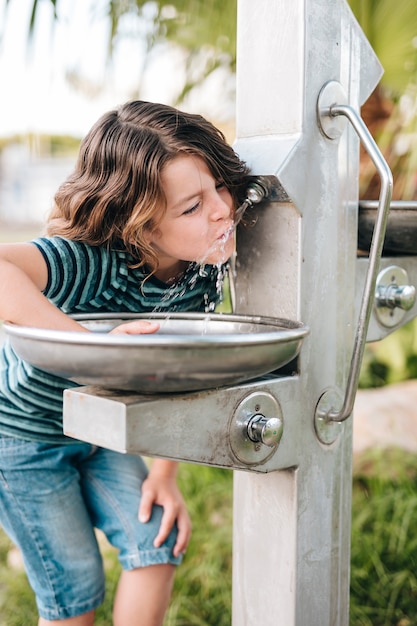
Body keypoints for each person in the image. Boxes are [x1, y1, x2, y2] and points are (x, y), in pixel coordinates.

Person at [0, 100, 250, 626]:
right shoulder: (85, 262)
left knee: (155, 541)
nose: (222, 210)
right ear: (138, 226)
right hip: (23, 440)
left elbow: (181, 377)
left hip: (102, 432)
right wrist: (89, 350)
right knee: (75, 592)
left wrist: (164, 471)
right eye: (191, 207)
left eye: (219, 188)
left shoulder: (200, 271)